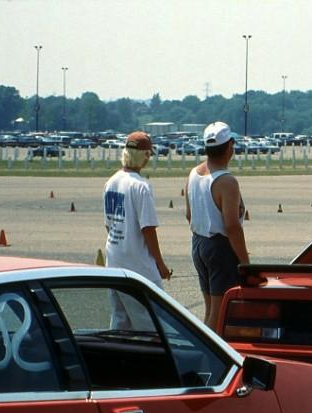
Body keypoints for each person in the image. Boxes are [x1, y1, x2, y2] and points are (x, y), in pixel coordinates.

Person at [103, 131, 170, 329]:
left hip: (114, 260)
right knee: (152, 323)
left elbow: (109, 224)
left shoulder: (111, 182)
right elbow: (148, 229)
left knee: (120, 321)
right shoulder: (141, 186)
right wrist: (160, 264)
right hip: (138, 267)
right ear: (144, 156)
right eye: (148, 154)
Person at [185, 121, 249, 329]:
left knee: (210, 310)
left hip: (198, 243)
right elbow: (232, 226)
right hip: (219, 247)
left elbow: (189, 214)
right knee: (220, 315)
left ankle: (205, 351)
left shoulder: (194, 174)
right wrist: (245, 263)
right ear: (230, 146)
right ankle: (210, 357)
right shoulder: (226, 181)